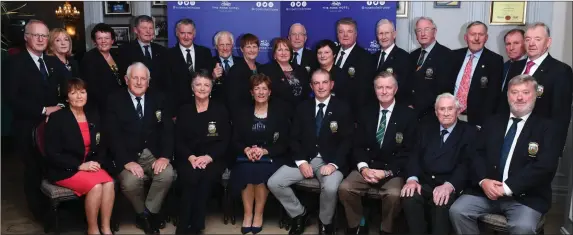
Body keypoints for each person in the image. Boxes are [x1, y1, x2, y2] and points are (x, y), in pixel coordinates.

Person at [450, 75, 559, 235]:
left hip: (525, 198)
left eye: (525, 92)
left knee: (522, 227)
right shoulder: (493, 122)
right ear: (508, 95)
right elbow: (474, 154)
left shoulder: (547, 128)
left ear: (535, 95)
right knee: (457, 211)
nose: (520, 97)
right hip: (486, 192)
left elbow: (545, 166)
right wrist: (483, 181)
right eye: (514, 92)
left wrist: (508, 188)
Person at [268, 69, 353, 235]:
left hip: (331, 161)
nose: (321, 87)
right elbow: (294, 138)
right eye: (316, 83)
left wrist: (334, 164)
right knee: (274, 182)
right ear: (311, 86)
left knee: (329, 187)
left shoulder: (343, 108)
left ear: (331, 84)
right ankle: (299, 214)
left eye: (324, 82)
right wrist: (301, 162)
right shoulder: (302, 108)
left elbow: (348, 141)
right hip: (306, 158)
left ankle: (325, 223)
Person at [338, 72, 417, 235]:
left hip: (392, 171)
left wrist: (386, 172)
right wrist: (364, 168)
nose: (384, 91)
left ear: (395, 89)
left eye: (388, 87)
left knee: (394, 194)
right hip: (368, 167)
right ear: (374, 90)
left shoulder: (408, 116)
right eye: (379, 87)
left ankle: (386, 228)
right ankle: (358, 224)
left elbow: (408, 152)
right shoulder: (365, 112)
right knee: (345, 188)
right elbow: (357, 145)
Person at [6, 19, 67, 220]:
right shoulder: (15, 63)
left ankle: (57, 209)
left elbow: (69, 89)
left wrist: (61, 107)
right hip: (27, 126)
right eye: (36, 35)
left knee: (52, 166)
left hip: (53, 127)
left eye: (44, 35)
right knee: (33, 170)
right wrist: (43, 110)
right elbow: (11, 98)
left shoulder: (52, 62)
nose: (41, 39)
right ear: (26, 37)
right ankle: (39, 214)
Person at [106, 62, 174, 234]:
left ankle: (147, 213)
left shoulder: (159, 98)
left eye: (143, 78)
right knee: (130, 183)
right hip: (127, 155)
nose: (138, 82)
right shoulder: (114, 100)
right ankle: (144, 213)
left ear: (148, 82)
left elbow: (168, 131)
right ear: (126, 80)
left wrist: (165, 156)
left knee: (167, 174)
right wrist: (125, 161)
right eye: (134, 78)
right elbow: (112, 135)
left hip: (153, 154)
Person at [45, 78, 115, 235]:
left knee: (109, 183)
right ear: (66, 96)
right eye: (73, 93)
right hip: (66, 169)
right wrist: (79, 166)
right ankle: (93, 230)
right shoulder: (57, 118)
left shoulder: (93, 115)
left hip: (89, 166)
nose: (79, 96)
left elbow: (102, 144)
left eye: (82, 92)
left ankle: (106, 228)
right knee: (96, 187)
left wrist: (96, 162)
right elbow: (52, 153)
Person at [401, 93, 476, 235]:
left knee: (442, 202)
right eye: (442, 109)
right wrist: (412, 179)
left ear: (458, 111)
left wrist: (449, 185)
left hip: (449, 185)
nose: (446, 113)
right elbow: (414, 155)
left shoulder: (469, 132)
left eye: (450, 109)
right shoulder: (425, 128)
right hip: (425, 182)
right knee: (409, 196)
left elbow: (467, 165)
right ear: (436, 112)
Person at [229, 74, 290, 234]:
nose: (261, 92)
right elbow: (235, 139)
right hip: (246, 156)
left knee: (260, 172)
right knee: (246, 170)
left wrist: (264, 151)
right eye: (257, 88)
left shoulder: (280, 112)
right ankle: (248, 214)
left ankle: (258, 214)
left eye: (264, 88)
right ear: (251, 92)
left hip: (272, 156)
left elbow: (285, 142)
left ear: (270, 92)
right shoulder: (242, 112)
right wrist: (247, 150)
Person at [499, 22, 573, 151]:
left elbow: (560, 115)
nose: (531, 43)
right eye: (528, 39)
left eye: (537, 39)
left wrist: (555, 148)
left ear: (548, 42)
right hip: (508, 136)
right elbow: (504, 104)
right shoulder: (515, 66)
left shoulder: (560, 71)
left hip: (538, 142)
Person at [174, 69, 231, 234]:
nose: (202, 88)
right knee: (190, 177)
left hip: (214, 157)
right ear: (192, 88)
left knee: (205, 178)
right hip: (188, 156)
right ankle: (184, 225)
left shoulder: (220, 109)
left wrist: (208, 157)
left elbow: (225, 140)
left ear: (211, 88)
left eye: (206, 84)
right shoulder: (184, 110)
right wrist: (191, 157)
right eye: (198, 84)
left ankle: (197, 225)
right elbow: (178, 140)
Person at [446, 21, 503, 127]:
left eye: (481, 35)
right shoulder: (452, 56)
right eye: (472, 34)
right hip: (450, 115)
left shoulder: (495, 60)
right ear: (466, 37)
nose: (476, 38)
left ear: (486, 38)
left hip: (476, 120)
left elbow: (493, 96)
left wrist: (484, 123)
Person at [409, 17, 453, 120]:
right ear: (416, 34)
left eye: (427, 29)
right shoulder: (412, 56)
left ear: (435, 31)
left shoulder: (447, 55)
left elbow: (443, 89)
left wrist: (418, 108)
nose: (423, 33)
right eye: (419, 30)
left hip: (432, 116)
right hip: (411, 115)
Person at [166, 18, 213, 111]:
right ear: (177, 33)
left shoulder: (205, 52)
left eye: (189, 33)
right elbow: (167, 86)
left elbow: (209, 79)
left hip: (203, 106)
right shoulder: (168, 55)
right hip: (178, 108)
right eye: (183, 33)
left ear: (194, 34)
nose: (186, 37)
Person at [81, 23, 124, 114]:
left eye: (107, 38)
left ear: (112, 40)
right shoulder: (89, 58)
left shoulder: (117, 55)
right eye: (99, 38)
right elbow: (91, 88)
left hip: (120, 103)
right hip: (101, 107)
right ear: (94, 41)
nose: (103, 41)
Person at [119, 15, 169, 92]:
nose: (148, 31)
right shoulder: (125, 50)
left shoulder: (162, 50)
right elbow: (124, 78)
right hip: (136, 96)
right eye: (144, 28)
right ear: (135, 30)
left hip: (159, 98)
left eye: (151, 28)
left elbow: (166, 78)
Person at [259, 38, 310, 114]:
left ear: (290, 53)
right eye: (280, 50)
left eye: (286, 50)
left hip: (300, 114)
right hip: (277, 114)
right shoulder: (266, 70)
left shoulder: (301, 70)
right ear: (274, 54)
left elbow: (306, 93)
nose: (283, 53)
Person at [333, 17, 375, 109]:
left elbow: (363, 92)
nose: (345, 35)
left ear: (356, 34)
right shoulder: (331, 52)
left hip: (351, 112)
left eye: (349, 31)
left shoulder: (365, 57)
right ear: (337, 34)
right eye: (341, 32)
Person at [372, 19, 412, 106]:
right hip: (374, 107)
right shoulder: (372, 58)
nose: (384, 37)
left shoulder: (404, 57)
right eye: (381, 33)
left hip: (397, 107)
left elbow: (407, 87)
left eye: (387, 33)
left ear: (394, 34)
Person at [226, 33, 262, 114]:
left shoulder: (262, 68)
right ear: (242, 49)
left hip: (261, 113)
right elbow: (233, 100)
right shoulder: (235, 70)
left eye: (254, 47)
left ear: (259, 49)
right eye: (248, 47)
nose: (252, 50)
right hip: (242, 115)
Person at [314, 39, 352, 108]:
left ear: (334, 55)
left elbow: (346, 101)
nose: (322, 56)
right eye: (319, 53)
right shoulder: (313, 73)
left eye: (326, 52)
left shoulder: (342, 75)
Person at [211, 30, 241, 105]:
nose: (225, 48)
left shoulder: (242, 63)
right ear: (216, 46)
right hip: (217, 109)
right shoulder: (209, 63)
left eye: (228, 44)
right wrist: (213, 78)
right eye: (221, 45)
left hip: (238, 108)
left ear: (232, 45)